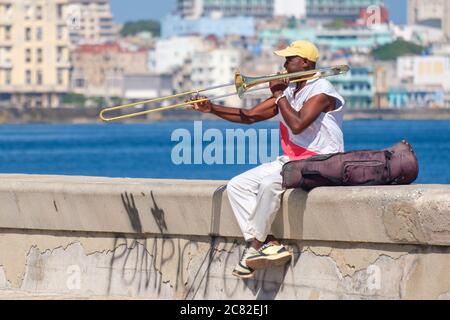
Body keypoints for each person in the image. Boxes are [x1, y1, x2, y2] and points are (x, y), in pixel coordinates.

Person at [190, 40, 346, 279]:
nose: (284, 65)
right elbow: (250, 116)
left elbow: (297, 123)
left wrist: (279, 95)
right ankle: (268, 242)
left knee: (268, 185)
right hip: (293, 161)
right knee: (237, 186)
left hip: (322, 160)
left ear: (305, 62)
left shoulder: (322, 90)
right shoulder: (290, 92)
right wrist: (211, 108)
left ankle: (253, 247)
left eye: (289, 59)